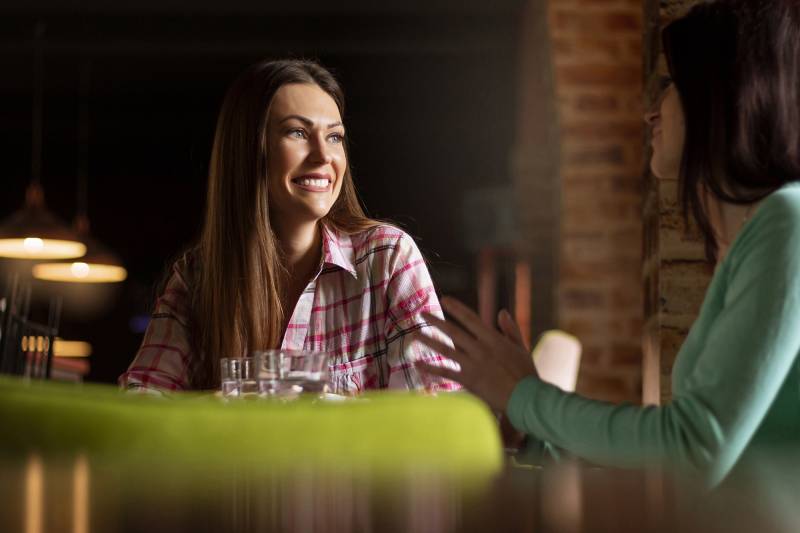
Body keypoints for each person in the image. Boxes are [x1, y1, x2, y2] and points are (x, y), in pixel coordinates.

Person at [416, 0, 800, 488]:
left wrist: (526, 397)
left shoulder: (788, 222)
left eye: (672, 86)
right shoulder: (749, 243)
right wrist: (530, 422)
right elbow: (670, 451)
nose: (650, 113)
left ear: (725, 95)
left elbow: (694, 445)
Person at [120, 59, 457, 394]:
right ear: (250, 150)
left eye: (335, 137)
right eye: (297, 132)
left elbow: (436, 415)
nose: (323, 155)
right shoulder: (198, 279)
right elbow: (141, 404)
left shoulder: (388, 258)